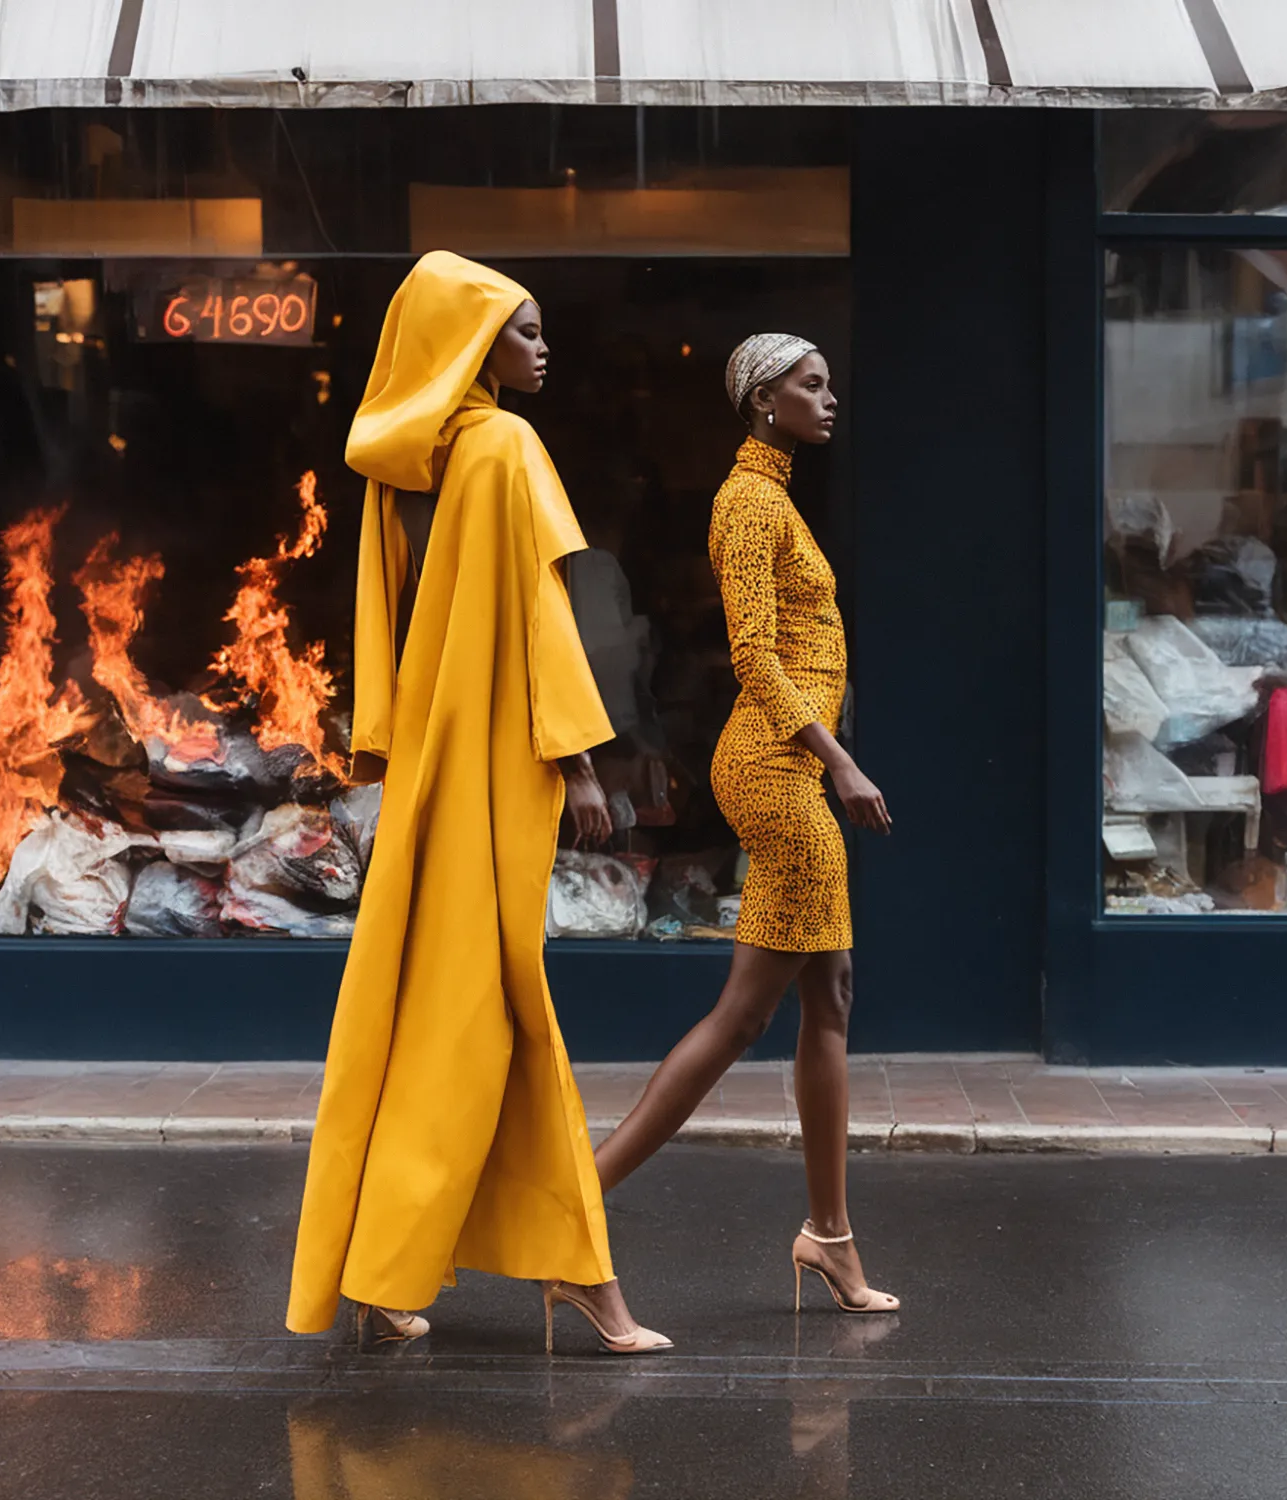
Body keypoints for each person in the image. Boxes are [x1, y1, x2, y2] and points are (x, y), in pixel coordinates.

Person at [286, 252, 669, 1357]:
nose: (544, 350)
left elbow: (389, 624)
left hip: (432, 766)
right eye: (525, 331)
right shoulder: (504, 446)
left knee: (438, 1009)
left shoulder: (402, 464)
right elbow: (542, 613)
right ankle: (579, 1279)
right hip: (500, 763)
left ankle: (388, 1270)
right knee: (493, 1011)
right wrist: (581, 762)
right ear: (473, 345)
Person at [592, 333, 898, 1315]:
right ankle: (578, 1207)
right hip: (777, 768)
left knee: (831, 999)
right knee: (743, 1016)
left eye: (828, 379)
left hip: (791, 766)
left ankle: (830, 1236)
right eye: (812, 383)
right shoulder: (746, 501)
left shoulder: (772, 495)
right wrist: (840, 761)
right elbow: (755, 661)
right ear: (764, 398)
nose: (830, 395)